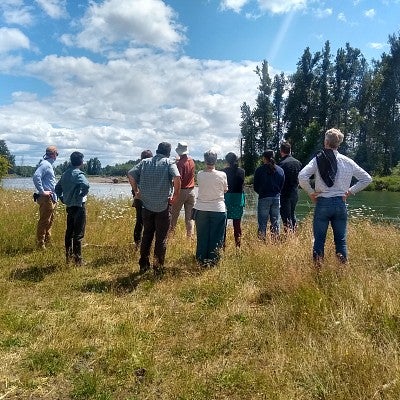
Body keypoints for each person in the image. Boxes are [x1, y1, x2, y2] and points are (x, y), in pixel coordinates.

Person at [298, 128, 372, 264]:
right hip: (340, 203)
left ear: (326, 142)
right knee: (341, 241)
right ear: (338, 144)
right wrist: (349, 192)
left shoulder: (318, 160)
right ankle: (342, 271)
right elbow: (367, 179)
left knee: (319, 240)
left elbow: (302, 176)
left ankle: (317, 270)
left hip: (323, 202)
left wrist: (311, 193)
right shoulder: (347, 161)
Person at [128, 142, 181, 275]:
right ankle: (157, 267)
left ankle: (143, 265)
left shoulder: (145, 162)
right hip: (163, 206)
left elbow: (130, 174)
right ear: (168, 153)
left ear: (157, 150)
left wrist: (136, 191)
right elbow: (177, 177)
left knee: (147, 235)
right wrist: (175, 195)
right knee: (161, 238)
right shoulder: (168, 163)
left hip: (146, 205)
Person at [193, 150, 228, 266]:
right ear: (216, 160)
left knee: (202, 236)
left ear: (205, 160)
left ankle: (201, 259)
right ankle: (213, 260)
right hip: (218, 208)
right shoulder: (222, 175)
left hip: (201, 208)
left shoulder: (199, 174)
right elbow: (225, 189)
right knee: (217, 236)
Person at [55, 152, 90, 265]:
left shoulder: (65, 174)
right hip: (79, 207)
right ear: (81, 162)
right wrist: (81, 195)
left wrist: (62, 198)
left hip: (69, 206)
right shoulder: (78, 174)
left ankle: (68, 256)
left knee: (69, 232)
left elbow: (57, 187)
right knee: (78, 234)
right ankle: (78, 260)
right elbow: (86, 185)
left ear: (71, 161)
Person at [253, 149, 285, 240]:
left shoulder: (259, 170)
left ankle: (261, 244)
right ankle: (275, 243)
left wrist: (262, 193)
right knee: (275, 223)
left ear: (264, 158)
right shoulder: (280, 170)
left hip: (263, 197)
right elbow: (282, 185)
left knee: (262, 223)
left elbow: (255, 187)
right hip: (276, 198)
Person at [33, 145, 58, 249]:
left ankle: (47, 242)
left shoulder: (48, 165)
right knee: (44, 221)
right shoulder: (45, 164)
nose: (57, 156)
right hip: (46, 198)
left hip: (51, 198)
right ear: (53, 154)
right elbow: (36, 176)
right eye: (57, 154)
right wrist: (42, 192)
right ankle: (40, 244)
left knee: (50, 220)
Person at [170, 142, 196, 238]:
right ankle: (190, 237)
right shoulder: (192, 161)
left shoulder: (180, 164)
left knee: (174, 214)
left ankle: (170, 236)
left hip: (181, 191)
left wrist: (175, 192)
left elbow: (178, 179)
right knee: (189, 217)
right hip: (191, 191)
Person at [222, 152, 245, 247]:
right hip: (238, 199)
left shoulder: (223, 172)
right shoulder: (242, 171)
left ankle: (222, 246)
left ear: (227, 161)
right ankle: (238, 246)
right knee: (237, 225)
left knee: (223, 225)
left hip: (226, 198)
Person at [131, 149, 153, 247]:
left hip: (139, 198)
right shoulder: (151, 167)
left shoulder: (139, 167)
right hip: (148, 198)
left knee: (139, 221)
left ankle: (138, 243)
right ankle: (146, 243)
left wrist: (135, 191)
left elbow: (131, 174)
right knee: (151, 221)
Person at [278, 141, 302, 232]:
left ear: (281, 151)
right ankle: (294, 234)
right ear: (290, 150)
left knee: (285, 216)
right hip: (295, 192)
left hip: (285, 193)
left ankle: (288, 237)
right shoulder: (298, 163)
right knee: (292, 214)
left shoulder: (281, 164)